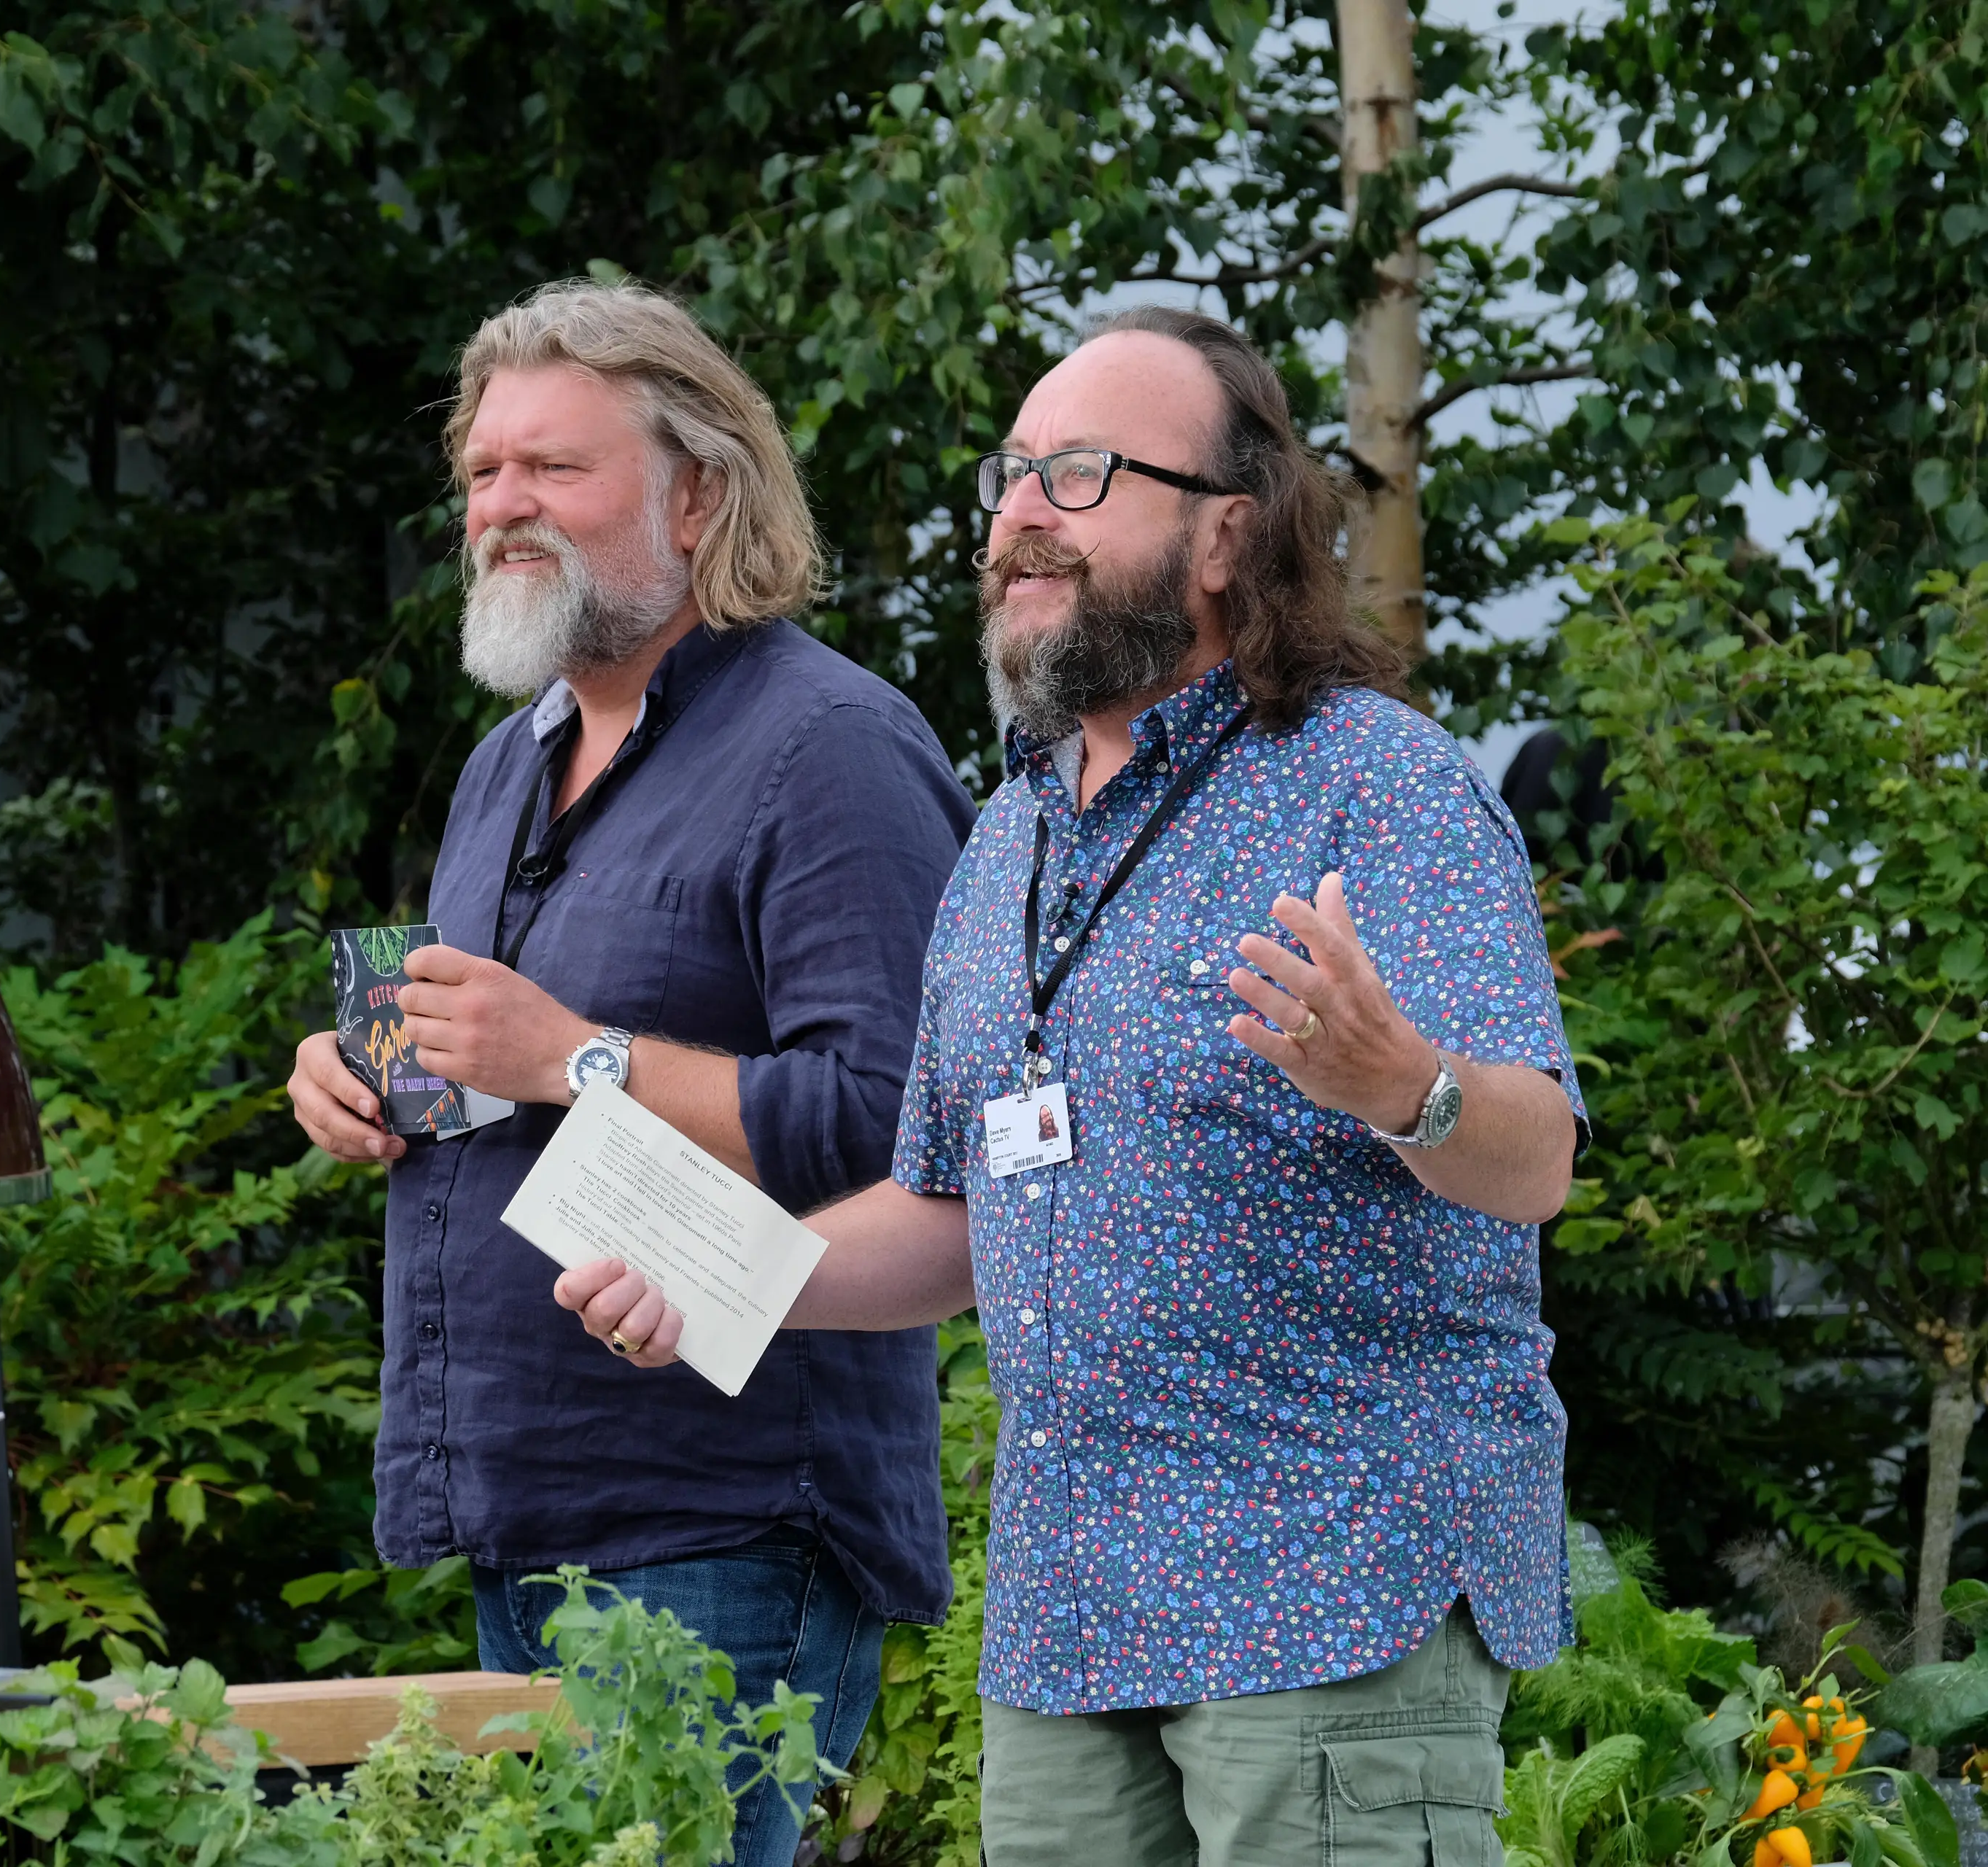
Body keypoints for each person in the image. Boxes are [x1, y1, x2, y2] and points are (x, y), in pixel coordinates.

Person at [556, 304, 1582, 1867]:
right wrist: (718, 1276)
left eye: (1083, 473)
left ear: (1227, 535)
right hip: (1071, 1623)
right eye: (1013, 473)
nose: (1022, 514)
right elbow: (953, 1210)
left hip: (1327, 1590)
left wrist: (1402, 1083)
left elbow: (1538, 1159)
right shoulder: (1011, 836)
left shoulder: (1377, 783)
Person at [284, 279, 975, 1867]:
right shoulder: (506, 761)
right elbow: (493, 1059)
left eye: (556, 467)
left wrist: (572, 1057)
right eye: (484, 471)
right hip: (519, 1506)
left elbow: (904, 1119)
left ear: (699, 495)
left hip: (724, 1519)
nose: (503, 505)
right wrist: (362, 1075)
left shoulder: (831, 748)